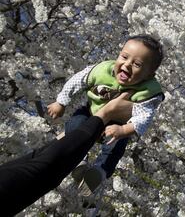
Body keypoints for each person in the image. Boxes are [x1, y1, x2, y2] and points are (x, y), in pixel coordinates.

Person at [47, 34, 164, 194]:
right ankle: (77, 158)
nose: (127, 65)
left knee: (115, 149)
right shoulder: (102, 70)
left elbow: (144, 117)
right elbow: (78, 80)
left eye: (137, 64)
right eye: (124, 57)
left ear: (149, 75)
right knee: (75, 125)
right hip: (90, 113)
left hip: (117, 126)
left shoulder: (147, 91)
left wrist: (123, 131)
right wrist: (61, 102)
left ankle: (99, 172)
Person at [0, 93, 133, 216]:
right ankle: (99, 169)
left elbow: (36, 161)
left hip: (89, 119)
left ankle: (85, 161)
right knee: (41, 169)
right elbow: (41, 168)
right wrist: (106, 115)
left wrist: (61, 102)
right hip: (102, 116)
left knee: (39, 163)